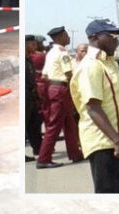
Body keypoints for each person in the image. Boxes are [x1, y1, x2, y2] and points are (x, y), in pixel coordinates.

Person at [70, 19, 119, 193]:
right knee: (108, 193)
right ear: (94, 38)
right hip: (105, 143)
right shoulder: (91, 66)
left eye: (118, 35)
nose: (116, 39)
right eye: (111, 35)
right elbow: (93, 108)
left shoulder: (110, 63)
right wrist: (116, 141)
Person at [37, 26, 84, 168]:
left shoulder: (51, 52)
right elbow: (69, 73)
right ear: (60, 38)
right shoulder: (63, 53)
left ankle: (75, 154)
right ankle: (44, 159)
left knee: (69, 124)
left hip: (53, 88)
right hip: (61, 89)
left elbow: (44, 75)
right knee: (54, 126)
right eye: (66, 35)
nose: (68, 37)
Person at [25, 35, 43, 162]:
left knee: (35, 122)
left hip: (32, 95)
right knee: (25, 124)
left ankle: (39, 149)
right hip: (26, 95)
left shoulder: (29, 59)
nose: (35, 47)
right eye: (32, 45)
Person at [30, 37, 50, 129]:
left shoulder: (29, 56)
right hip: (42, 84)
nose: (43, 46)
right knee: (46, 109)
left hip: (34, 84)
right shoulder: (42, 56)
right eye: (41, 43)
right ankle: (48, 129)